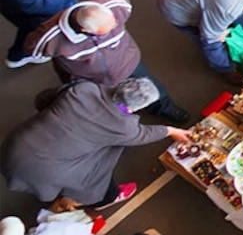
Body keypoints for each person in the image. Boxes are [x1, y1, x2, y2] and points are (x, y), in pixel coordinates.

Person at [0, 79, 192, 211]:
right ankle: (102, 198)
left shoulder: (85, 89)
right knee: (108, 156)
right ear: (138, 107)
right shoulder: (124, 126)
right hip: (44, 171)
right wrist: (171, 131)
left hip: (16, 146)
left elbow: (49, 97)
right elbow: (143, 134)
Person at [23, 0, 191, 123]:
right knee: (105, 104)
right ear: (84, 29)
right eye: (107, 29)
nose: (115, 26)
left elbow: (125, 5)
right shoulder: (50, 38)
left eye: (114, 22)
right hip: (90, 78)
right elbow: (33, 50)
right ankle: (119, 122)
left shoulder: (115, 7)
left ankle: (164, 108)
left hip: (127, 63)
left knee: (149, 88)